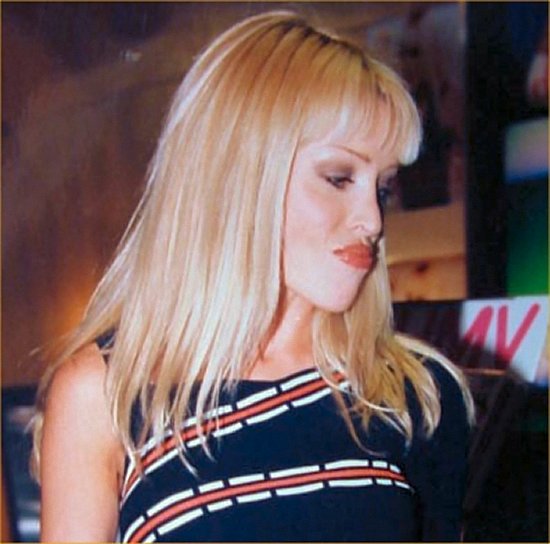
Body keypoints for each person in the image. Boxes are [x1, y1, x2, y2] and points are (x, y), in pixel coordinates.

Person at [32, 10, 474, 542]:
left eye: (382, 188)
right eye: (338, 178)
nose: (373, 220)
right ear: (241, 174)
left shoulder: (416, 396)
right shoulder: (105, 393)